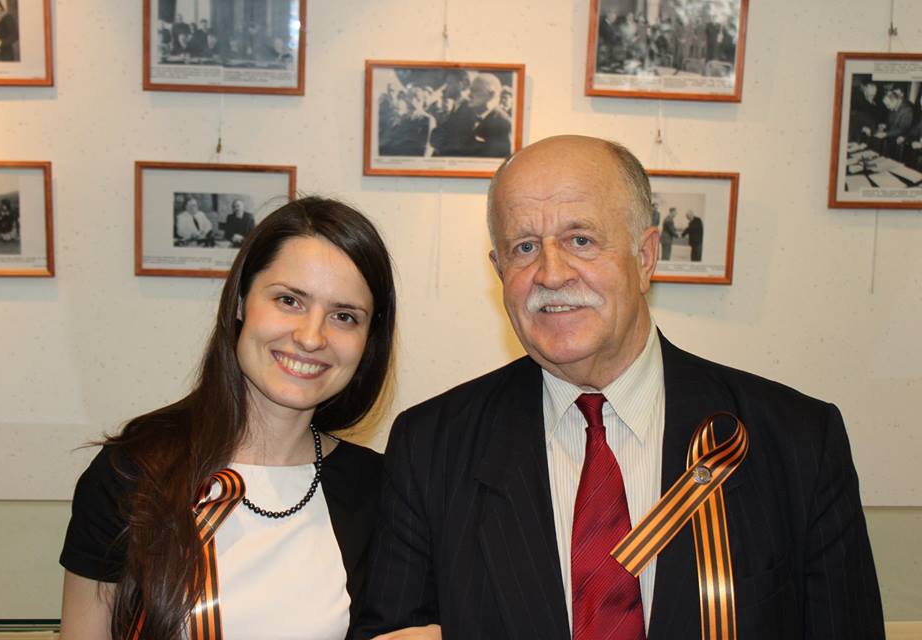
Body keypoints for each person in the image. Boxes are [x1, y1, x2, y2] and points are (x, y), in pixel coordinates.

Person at [356, 136, 884, 639]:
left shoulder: (797, 442)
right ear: (499, 271)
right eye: (524, 247)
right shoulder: (431, 448)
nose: (551, 274)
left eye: (580, 240)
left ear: (646, 256)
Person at [59, 197, 411, 639]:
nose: (311, 337)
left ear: (368, 339)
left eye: (344, 316)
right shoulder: (130, 473)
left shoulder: (381, 489)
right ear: (242, 302)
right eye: (289, 300)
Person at [430, 73, 512, 158]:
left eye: (475, 90)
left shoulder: (504, 123)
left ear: (491, 95)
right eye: (470, 90)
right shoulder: (464, 113)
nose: (469, 95)